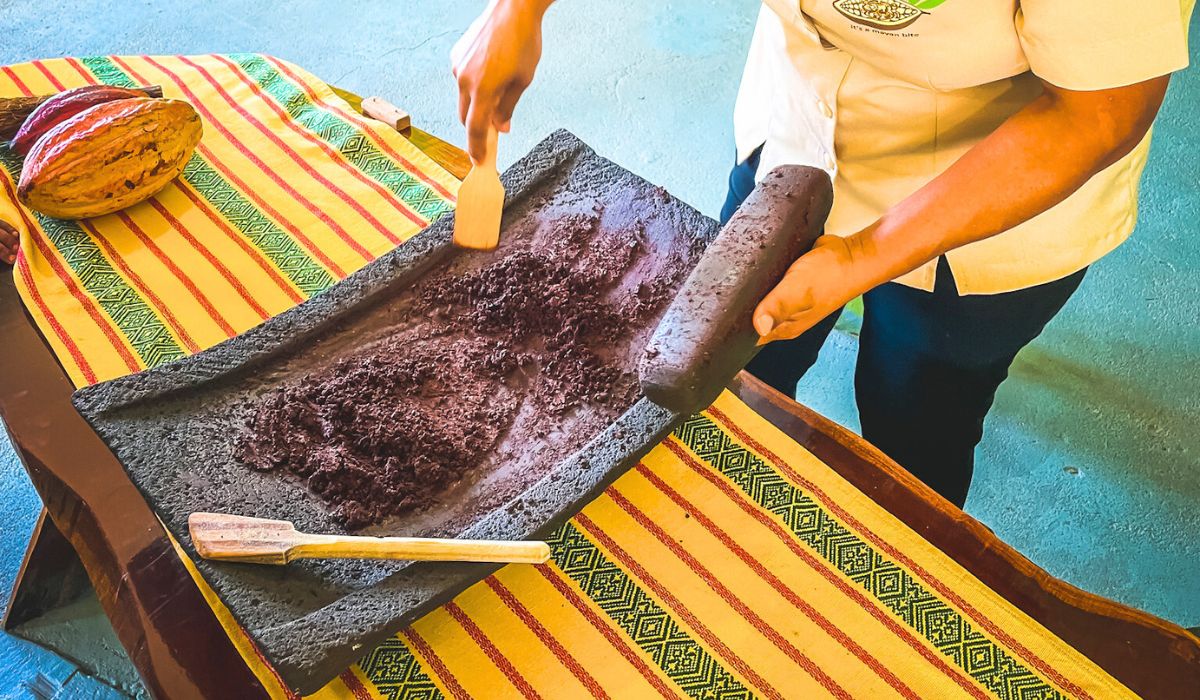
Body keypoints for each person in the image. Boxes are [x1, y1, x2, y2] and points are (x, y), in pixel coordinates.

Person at [464, 0, 1191, 507]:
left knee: (915, 418)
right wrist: (520, 8)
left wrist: (864, 255)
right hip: (800, 112)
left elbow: (1100, 110)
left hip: (989, 180)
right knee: (729, 359)